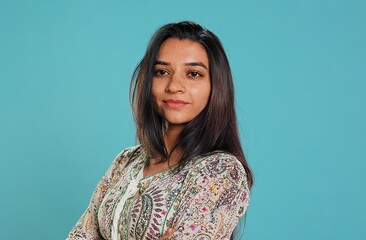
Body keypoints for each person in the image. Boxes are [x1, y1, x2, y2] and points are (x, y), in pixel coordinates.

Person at [67, 21, 253, 240]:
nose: (174, 86)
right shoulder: (126, 161)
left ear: (216, 86)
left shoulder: (221, 172)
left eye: (193, 74)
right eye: (162, 71)